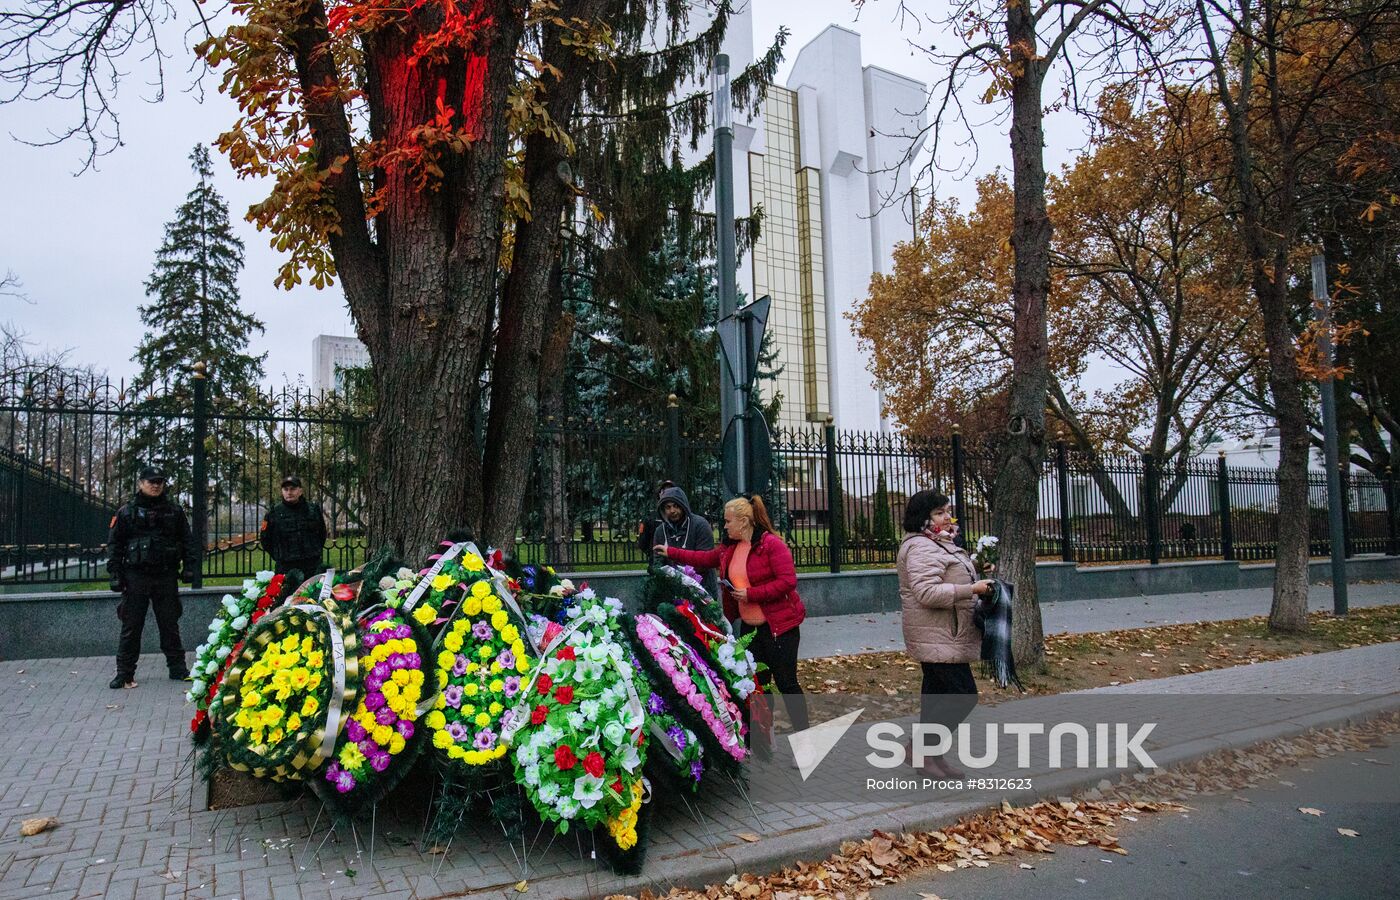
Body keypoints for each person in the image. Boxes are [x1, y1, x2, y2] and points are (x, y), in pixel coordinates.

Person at [658, 495, 808, 734]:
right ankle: (763, 739)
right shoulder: (730, 548)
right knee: (757, 686)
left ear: (744, 521)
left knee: (787, 683)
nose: (724, 526)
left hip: (780, 628)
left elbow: (788, 581)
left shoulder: (771, 545)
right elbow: (704, 558)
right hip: (750, 629)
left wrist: (752, 594)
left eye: (728, 521)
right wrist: (671, 552)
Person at [896, 489, 994, 777]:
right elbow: (926, 592)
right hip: (938, 634)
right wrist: (971, 589)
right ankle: (918, 749)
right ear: (923, 518)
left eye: (947, 510)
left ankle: (932, 758)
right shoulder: (921, 547)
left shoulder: (939, 543)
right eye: (939, 512)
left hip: (945, 634)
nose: (946, 517)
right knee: (963, 696)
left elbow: (945, 574)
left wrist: (976, 569)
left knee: (937, 696)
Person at [106, 466, 200, 689]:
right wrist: (115, 574)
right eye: (151, 481)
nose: (155, 485)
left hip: (165, 575)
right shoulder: (127, 512)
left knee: (169, 624)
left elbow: (187, 542)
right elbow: (115, 545)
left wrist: (189, 567)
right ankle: (124, 673)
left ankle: (177, 668)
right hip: (135, 576)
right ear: (141, 483)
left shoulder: (174, 512)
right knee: (131, 625)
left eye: (159, 481)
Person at [260, 475, 328, 579]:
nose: (289, 492)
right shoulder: (274, 512)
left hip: (311, 564)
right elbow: (265, 538)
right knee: (286, 594)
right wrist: (279, 555)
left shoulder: (312, 510)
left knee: (312, 593)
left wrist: (314, 551)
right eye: (285, 489)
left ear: (300, 491)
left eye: (293, 489)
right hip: (286, 566)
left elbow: (322, 533)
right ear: (282, 491)